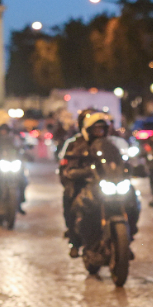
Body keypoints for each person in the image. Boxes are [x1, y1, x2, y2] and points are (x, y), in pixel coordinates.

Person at [58, 109, 96, 257]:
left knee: (131, 199)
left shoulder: (109, 143)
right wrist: (72, 174)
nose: (97, 131)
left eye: (101, 127)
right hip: (82, 183)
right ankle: (74, 240)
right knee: (70, 200)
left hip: (104, 183)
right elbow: (65, 167)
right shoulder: (74, 144)